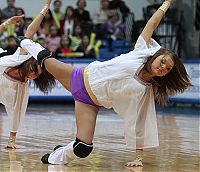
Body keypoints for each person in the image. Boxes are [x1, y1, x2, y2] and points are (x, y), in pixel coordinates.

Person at [19, 0, 192, 167]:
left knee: (83, 148)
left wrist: (138, 157)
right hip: (78, 78)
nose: (163, 67)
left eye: (167, 69)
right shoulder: (141, 51)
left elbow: (141, 122)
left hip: (90, 103)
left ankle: (56, 156)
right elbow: (153, 23)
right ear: (156, 55)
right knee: (44, 58)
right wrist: (167, 2)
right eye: (163, 61)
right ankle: (24, 41)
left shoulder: (146, 89)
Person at [0, 0, 55, 149]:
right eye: (33, 70)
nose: (32, 75)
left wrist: (11, 141)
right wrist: (45, 7)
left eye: (36, 76)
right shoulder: (22, 55)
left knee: (15, 111)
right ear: (31, 63)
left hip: (8, 90)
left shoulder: (22, 88)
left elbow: (16, 116)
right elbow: (30, 31)